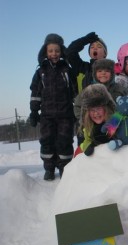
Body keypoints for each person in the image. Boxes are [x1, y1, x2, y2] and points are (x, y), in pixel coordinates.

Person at [29, 33, 76, 181]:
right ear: (45, 52)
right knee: (47, 141)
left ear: (62, 51)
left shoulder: (67, 71)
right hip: (47, 115)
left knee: (64, 141)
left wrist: (78, 111)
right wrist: (34, 111)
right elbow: (35, 92)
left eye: (57, 50)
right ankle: (49, 168)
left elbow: (74, 91)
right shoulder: (40, 72)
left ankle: (65, 168)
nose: (54, 54)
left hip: (65, 115)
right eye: (50, 51)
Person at [74, 58, 128, 123]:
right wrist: (85, 120)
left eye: (107, 71)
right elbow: (77, 105)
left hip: (116, 125)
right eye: (99, 71)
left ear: (112, 73)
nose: (103, 73)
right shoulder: (89, 90)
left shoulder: (119, 89)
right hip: (95, 126)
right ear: (94, 74)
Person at [74, 84, 115, 157]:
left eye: (99, 108)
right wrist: (85, 147)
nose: (96, 113)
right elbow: (79, 158)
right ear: (86, 112)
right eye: (92, 110)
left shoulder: (117, 126)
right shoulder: (85, 131)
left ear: (107, 108)